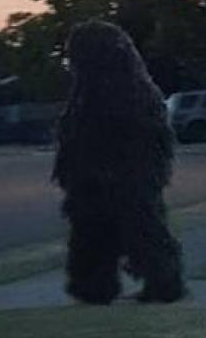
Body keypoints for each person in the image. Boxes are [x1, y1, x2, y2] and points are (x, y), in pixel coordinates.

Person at [52, 21, 186, 304]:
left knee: (138, 226)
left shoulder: (124, 96)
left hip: (125, 175)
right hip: (101, 177)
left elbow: (144, 141)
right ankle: (95, 285)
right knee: (97, 230)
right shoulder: (113, 92)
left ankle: (156, 282)